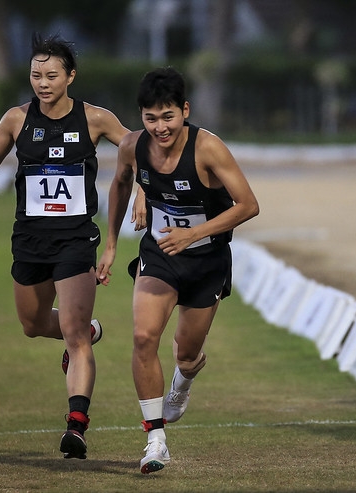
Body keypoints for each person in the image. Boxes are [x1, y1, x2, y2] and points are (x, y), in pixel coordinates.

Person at [0, 33, 129, 460]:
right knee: (32, 323)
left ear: (70, 76)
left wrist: (149, 185)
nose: (42, 83)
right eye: (35, 75)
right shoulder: (15, 119)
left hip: (76, 238)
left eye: (51, 75)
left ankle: (76, 428)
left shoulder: (96, 119)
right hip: (29, 239)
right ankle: (88, 331)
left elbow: (135, 145)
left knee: (75, 336)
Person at [97, 67, 259, 474]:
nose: (160, 127)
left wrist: (194, 234)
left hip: (207, 259)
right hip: (160, 254)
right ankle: (155, 440)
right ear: (140, 116)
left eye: (168, 116)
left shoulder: (208, 148)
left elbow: (248, 205)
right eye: (151, 118)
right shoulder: (133, 146)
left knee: (186, 353)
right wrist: (112, 244)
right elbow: (119, 183)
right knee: (142, 335)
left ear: (184, 110)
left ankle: (183, 381)